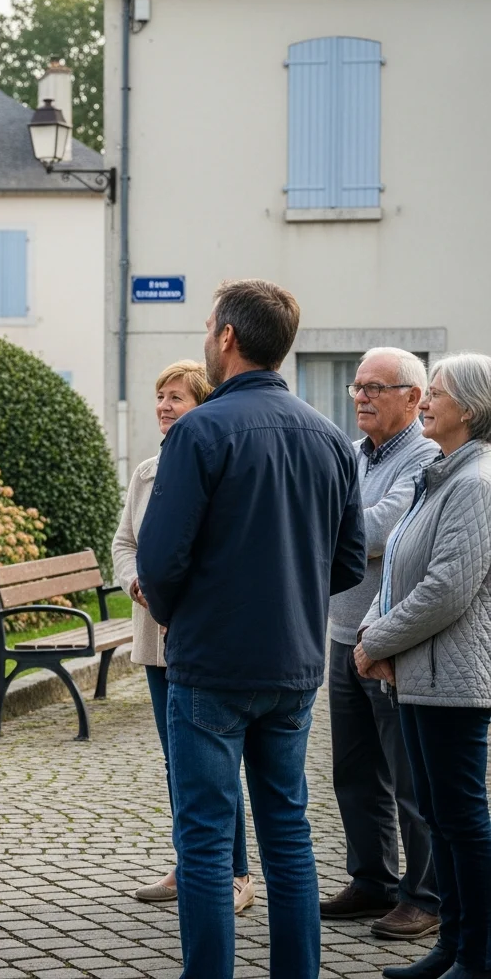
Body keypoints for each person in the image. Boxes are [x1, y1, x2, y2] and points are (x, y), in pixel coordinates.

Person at [136, 279, 367, 979]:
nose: (207, 336)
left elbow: (160, 557)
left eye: (210, 326)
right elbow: (348, 559)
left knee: (205, 842)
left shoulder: (198, 431)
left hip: (211, 663)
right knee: (289, 836)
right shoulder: (331, 437)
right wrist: (287, 598)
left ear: (228, 338)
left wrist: (182, 615)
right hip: (294, 663)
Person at [355, 353, 491, 979]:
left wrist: (375, 641)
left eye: (437, 392)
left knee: (462, 820)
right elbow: (395, 572)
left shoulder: (476, 482)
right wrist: (373, 633)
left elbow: (445, 589)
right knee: (441, 816)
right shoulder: (442, 474)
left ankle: (478, 955)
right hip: (419, 676)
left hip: (454, 681)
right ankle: (451, 949)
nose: (427, 400)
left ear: (471, 407)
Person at [113, 360, 254, 913]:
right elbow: (125, 541)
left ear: (205, 405)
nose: (165, 406)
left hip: (201, 633)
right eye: (161, 396)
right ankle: (193, 862)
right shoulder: (147, 471)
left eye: (177, 397)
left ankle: (237, 874)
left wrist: (177, 591)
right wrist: (136, 582)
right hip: (155, 636)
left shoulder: (217, 463)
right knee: (178, 761)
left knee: (215, 763)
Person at [322, 348, 440, 939]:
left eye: (376, 387)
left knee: (409, 777)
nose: (361, 396)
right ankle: (372, 880)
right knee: (355, 772)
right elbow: (350, 526)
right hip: (342, 634)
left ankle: (423, 896)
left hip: (392, 643)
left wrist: (325, 524)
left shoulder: (426, 458)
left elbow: (376, 531)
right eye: (356, 387)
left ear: (414, 398)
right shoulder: (351, 454)